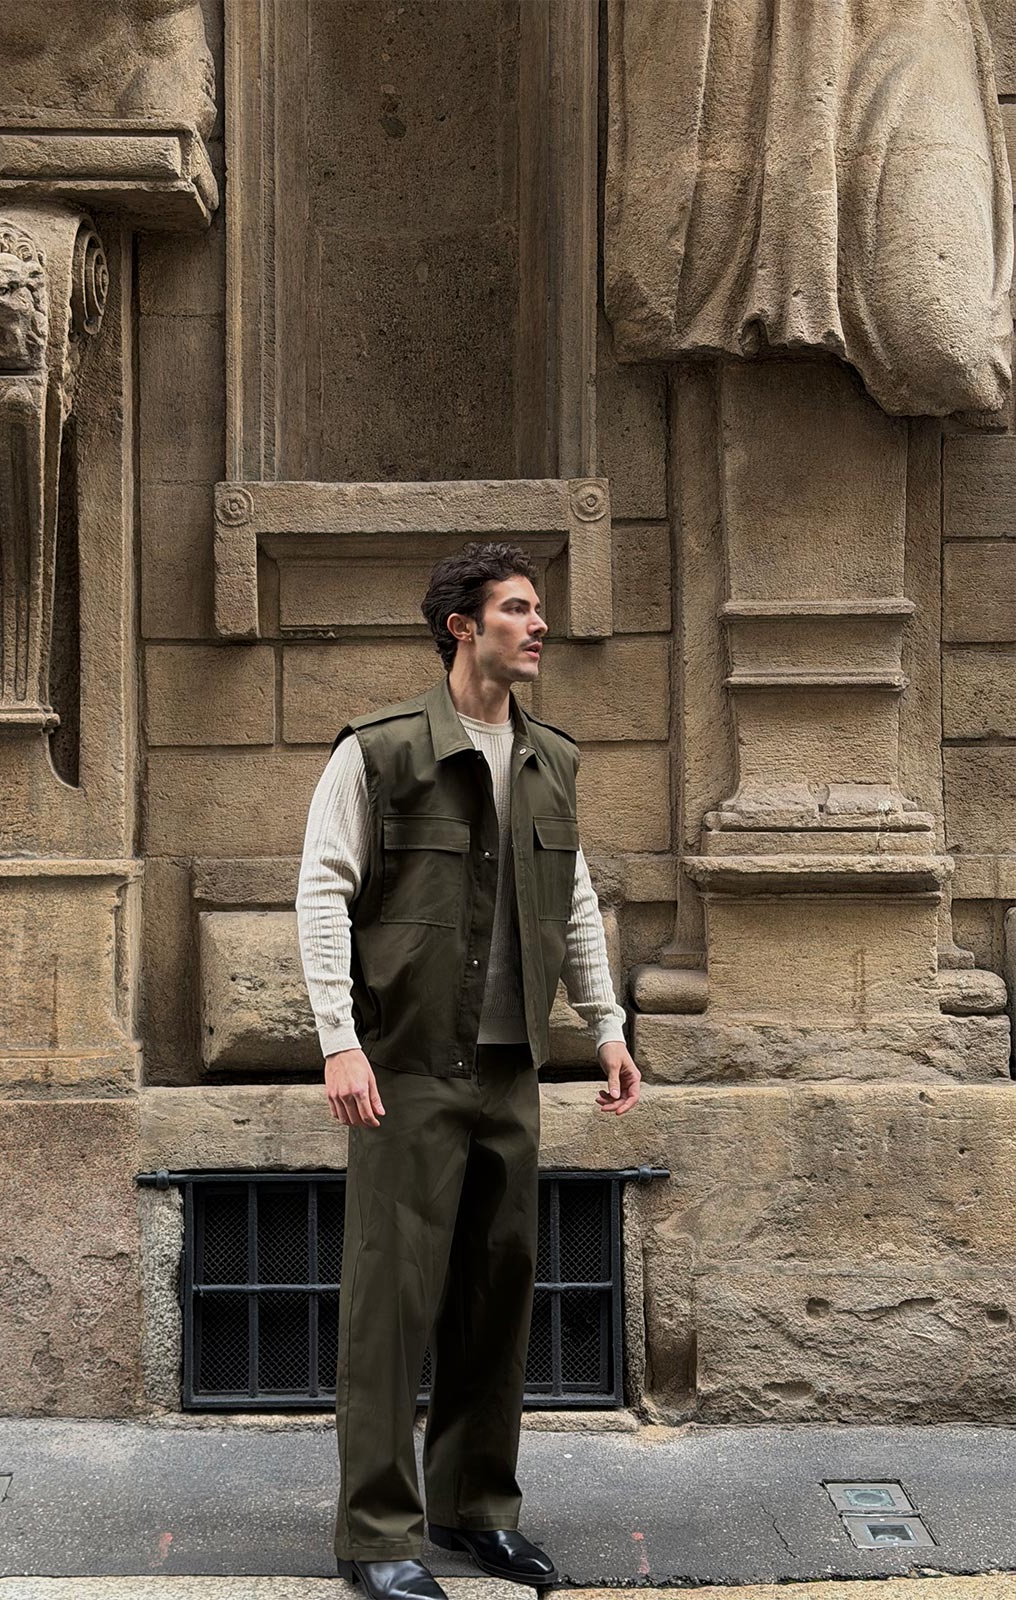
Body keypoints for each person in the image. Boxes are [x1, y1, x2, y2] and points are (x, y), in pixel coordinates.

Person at [296, 541, 642, 1600]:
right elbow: (321, 891)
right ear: (463, 626)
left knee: (497, 1297)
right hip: (405, 1071)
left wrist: (609, 1024)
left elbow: (575, 903)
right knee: (391, 1305)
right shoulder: (384, 751)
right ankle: (375, 1535)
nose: (539, 627)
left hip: (510, 1073)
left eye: (537, 611)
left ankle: (474, 1509)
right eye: (519, 610)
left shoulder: (551, 761)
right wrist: (339, 1040)